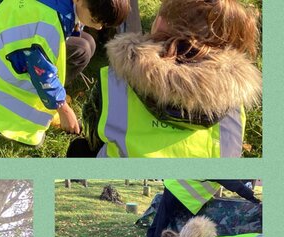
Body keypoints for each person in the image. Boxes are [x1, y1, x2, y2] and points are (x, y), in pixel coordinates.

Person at [68, 0, 262, 157]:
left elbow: (93, 135)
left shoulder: (113, 80)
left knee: (80, 149)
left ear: (160, 22)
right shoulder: (235, 102)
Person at [0, 0, 129, 146]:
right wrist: (63, 110)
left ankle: (53, 96)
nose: (99, 27)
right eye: (95, 20)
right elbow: (42, 75)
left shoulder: (59, 12)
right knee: (35, 139)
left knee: (86, 45)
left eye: (103, 24)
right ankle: (45, 105)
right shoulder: (48, 27)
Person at [147, 180, 261, 237]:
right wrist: (251, 197)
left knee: (162, 216)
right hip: (179, 189)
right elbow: (233, 184)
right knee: (164, 218)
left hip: (176, 185)